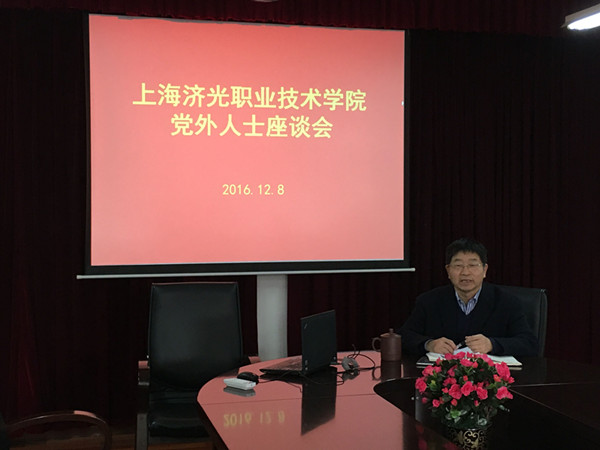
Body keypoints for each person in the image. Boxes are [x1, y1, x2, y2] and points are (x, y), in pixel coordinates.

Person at [400, 238, 538, 357]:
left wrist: (492, 344)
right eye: (458, 266)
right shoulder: (429, 301)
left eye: (472, 265)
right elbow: (404, 336)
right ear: (448, 271)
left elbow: (529, 343)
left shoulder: (506, 302)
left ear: (484, 270)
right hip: (442, 375)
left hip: (490, 376)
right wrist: (429, 344)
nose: (465, 272)